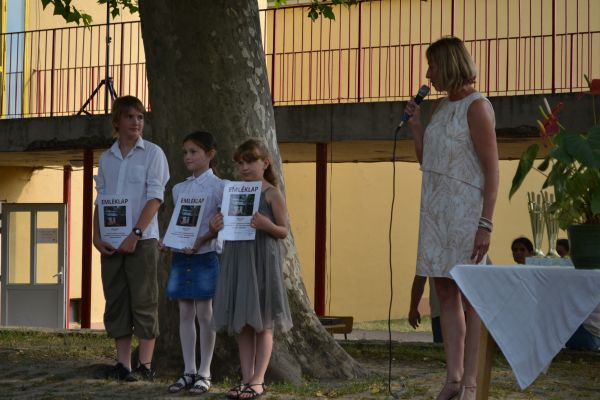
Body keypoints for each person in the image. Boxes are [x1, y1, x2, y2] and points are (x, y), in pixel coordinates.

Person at [404, 36, 499, 400]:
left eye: (433, 65)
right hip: (435, 211)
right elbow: (428, 161)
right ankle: (453, 379)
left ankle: (471, 382)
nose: (428, 74)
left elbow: (492, 171)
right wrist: (416, 126)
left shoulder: (478, 107)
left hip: (464, 213)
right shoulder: (441, 108)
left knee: (470, 295)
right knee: (444, 292)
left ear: (449, 64)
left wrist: (485, 223)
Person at [92, 95, 169, 381]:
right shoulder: (106, 158)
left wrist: (135, 234)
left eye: (140, 117)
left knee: (144, 301)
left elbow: (155, 198)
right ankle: (123, 365)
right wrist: (96, 236)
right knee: (116, 300)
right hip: (111, 242)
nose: (136, 122)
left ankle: (145, 367)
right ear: (117, 121)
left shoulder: (153, 154)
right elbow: (101, 200)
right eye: (129, 117)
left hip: (143, 240)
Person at [212, 139, 293, 400]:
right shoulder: (234, 192)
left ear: (265, 163)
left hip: (262, 260)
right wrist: (218, 224)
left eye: (250, 161)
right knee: (244, 323)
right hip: (238, 258)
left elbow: (283, 231)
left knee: (264, 322)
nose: (244, 167)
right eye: (240, 163)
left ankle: (259, 380)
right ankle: (246, 379)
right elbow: (226, 223)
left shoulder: (272, 194)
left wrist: (266, 225)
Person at [163, 131, 224, 394]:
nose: (187, 157)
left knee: (205, 313)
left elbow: (221, 224)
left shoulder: (220, 187)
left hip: (205, 255)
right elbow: (180, 224)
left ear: (210, 154)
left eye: (193, 152)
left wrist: (203, 239)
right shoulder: (179, 189)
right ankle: (188, 370)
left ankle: (205, 372)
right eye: (185, 152)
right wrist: (169, 241)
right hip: (182, 255)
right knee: (185, 312)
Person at [408, 275, 443, 343]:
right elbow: (420, 278)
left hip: (440, 313)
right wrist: (413, 308)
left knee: (443, 347)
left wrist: (413, 308)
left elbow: (420, 278)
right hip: (441, 312)